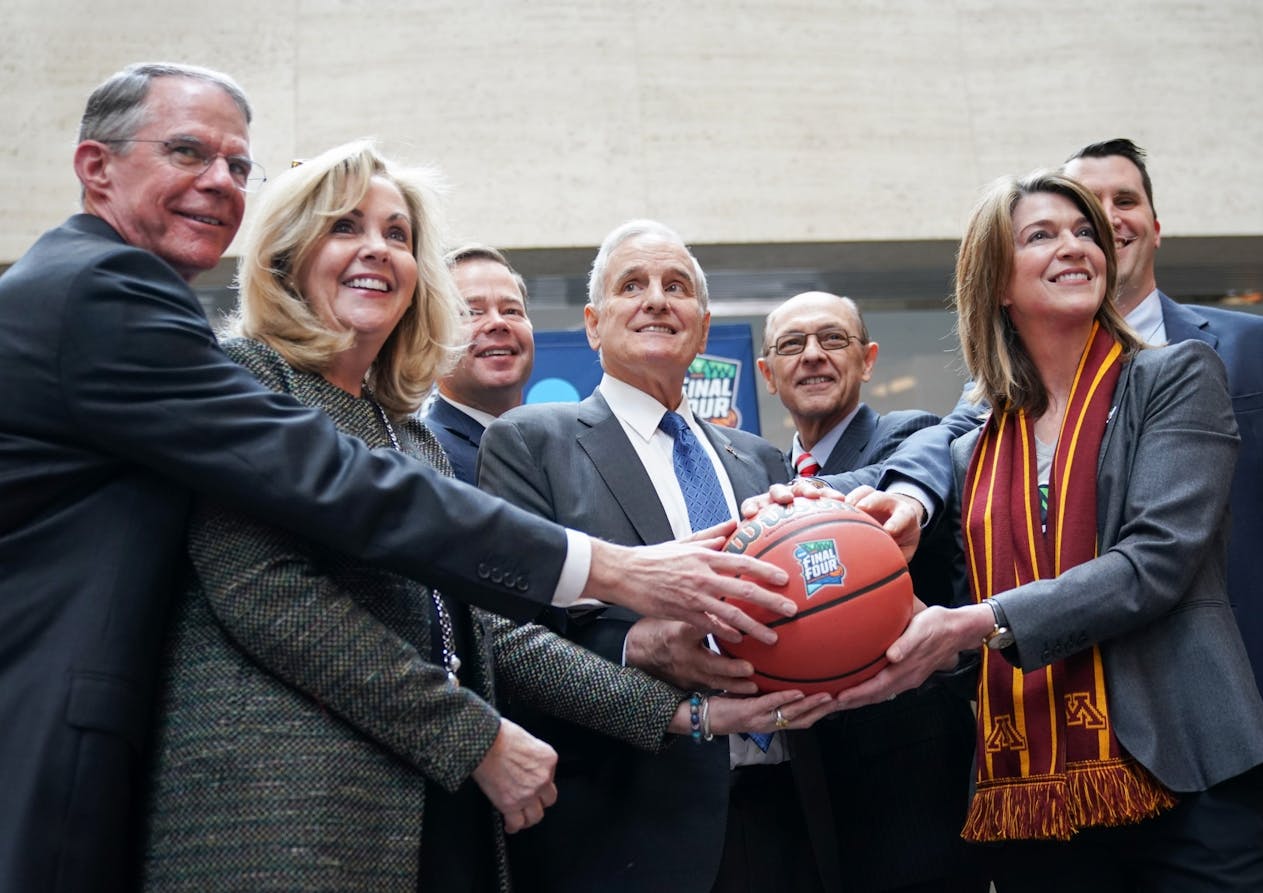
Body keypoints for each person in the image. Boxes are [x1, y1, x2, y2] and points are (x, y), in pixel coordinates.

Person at [0, 62, 793, 892]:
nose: (376, 249)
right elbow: (270, 593)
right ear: (288, 257)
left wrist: (674, 710)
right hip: (283, 822)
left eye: (399, 235)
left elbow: (482, 633)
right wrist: (479, 729)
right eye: (344, 226)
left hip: (427, 814)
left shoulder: (409, 434)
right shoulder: (242, 370)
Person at [838, 171, 1263, 891]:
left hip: (1186, 772)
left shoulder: (1175, 377)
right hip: (1031, 806)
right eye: (1041, 235)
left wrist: (971, 622)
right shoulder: (974, 441)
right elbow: (970, 613)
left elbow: (1154, 562)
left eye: (1085, 233)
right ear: (997, 284)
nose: (1076, 246)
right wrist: (922, 644)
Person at [1060, 138, 1263, 893]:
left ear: (1155, 222)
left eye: (1125, 200)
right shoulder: (1033, 379)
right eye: (1087, 207)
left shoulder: (1247, 344)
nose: (1108, 219)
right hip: (1101, 741)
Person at [478, 220, 840, 893]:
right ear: (592, 324)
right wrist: (632, 644)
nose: (655, 299)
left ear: (701, 329)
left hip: (788, 805)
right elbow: (509, 634)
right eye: (632, 285)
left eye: (676, 287)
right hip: (632, 821)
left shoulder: (761, 459)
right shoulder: (530, 442)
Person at [758, 291, 985, 893]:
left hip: (911, 782)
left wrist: (791, 511)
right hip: (802, 792)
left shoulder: (908, 440)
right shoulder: (761, 477)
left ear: (868, 360)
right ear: (768, 373)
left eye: (833, 339)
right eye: (792, 345)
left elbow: (928, 450)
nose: (812, 356)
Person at [425, 243, 534, 483]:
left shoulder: (560, 449)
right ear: (430, 338)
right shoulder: (423, 455)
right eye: (472, 312)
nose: (498, 322)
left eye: (512, 311)